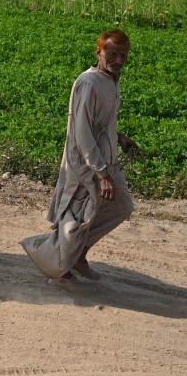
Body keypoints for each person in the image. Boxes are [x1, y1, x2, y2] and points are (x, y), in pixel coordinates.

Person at [20, 29, 145, 287]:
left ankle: (78, 255)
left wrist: (119, 138)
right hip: (86, 164)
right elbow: (82, 131)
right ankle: (57, 270)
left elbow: (99, 122)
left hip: (105, 158)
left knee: (121, 206)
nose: (119, 60)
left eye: (124, 55)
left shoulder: (110, 80)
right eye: (113, 54)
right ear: (98, 52)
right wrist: (101, 172)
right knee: (75, 220)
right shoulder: (89, 82)